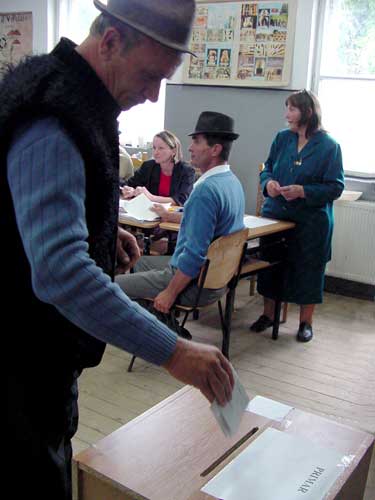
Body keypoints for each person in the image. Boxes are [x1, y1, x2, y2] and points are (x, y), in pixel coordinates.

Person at [2, 2, 235, 499]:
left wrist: (104, 233)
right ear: (109, 42)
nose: (153, 96)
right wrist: (173, 351)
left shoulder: (82, 98)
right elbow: (61, 274)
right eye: (151, 76)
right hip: (17, 371)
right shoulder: (53, 118)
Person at [116, 111, 245, 323]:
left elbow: (194, 256)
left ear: (215, 149)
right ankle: (167, 326)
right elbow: (197, 221)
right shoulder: (231, 182)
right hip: (218, 278)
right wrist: (169, 215)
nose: (190, 148)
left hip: (194, 284)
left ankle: (163, 333)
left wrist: (170, 293)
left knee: (114, 285)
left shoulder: (205, 191)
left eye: (196, 141)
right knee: (139, 262)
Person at [250, 90, 344, 342]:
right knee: (270, 264)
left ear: (308, 112)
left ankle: (305, 323)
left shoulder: (329, 146)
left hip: (311, 221)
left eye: (292, 109)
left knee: (308, 271)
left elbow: (335, 187)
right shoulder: (282, 138)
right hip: (276, 216)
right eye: (287, 108)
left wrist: (304, 191)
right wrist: (268, 182)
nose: (286, 114)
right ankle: (268, 314)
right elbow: (267, 168)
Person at [121, 129, 195, 205]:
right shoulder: (148, 166)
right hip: (149, 213)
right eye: (154, 148)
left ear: (174, 151)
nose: (155, 152)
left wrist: (151, 197)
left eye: (161, 148)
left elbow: (182, 199)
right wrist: (128, 189)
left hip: (173, 214)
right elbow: (129, 184)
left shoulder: (186, 171)